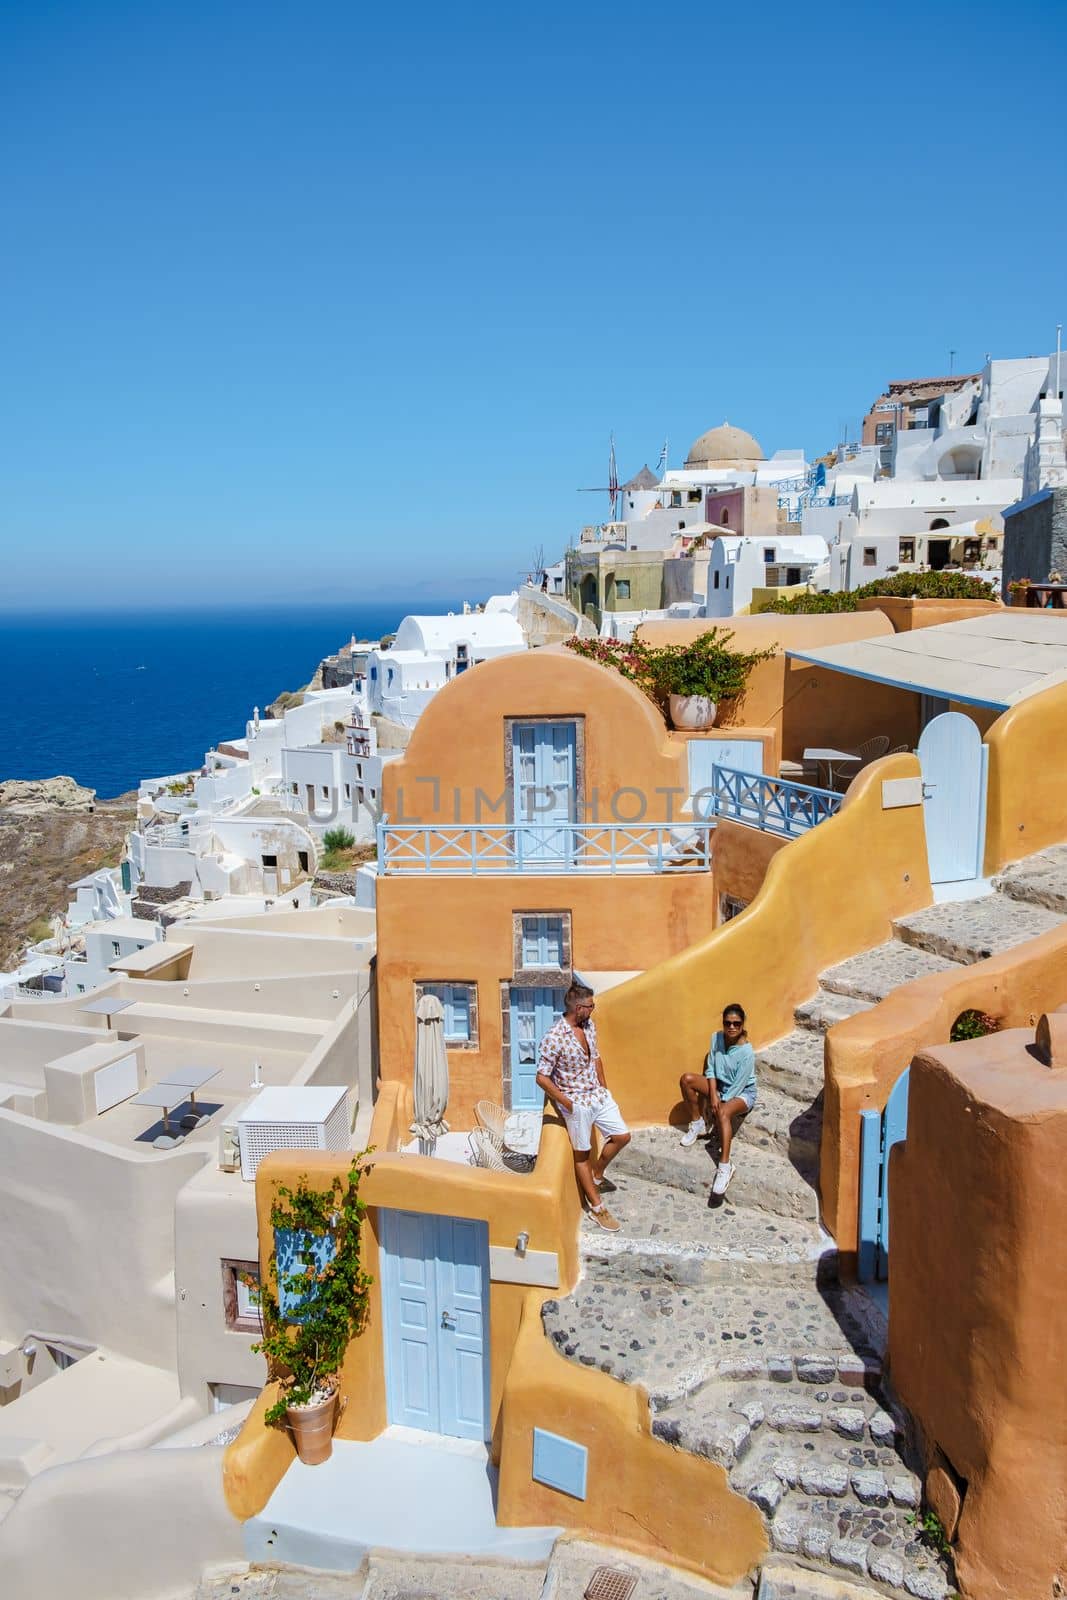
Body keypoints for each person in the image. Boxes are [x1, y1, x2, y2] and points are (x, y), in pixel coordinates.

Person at [536, 981, 631, 1230]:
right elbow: (542, 1077)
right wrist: (568, 1103)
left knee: (622, 1136)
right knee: (581, 1154)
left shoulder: (589, 1026)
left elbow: (596, 1057)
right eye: (590, 1006)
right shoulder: (554, 1037)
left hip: (597, 1095)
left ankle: (596, 1174)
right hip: (576, 1101)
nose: (593, 1009)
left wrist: (604, 1086)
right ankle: (597, 1208)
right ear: (578, 1008)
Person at [677, 1003, 756, 1196]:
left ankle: (725, 1166)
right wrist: (713, 1093)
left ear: (742, 1024)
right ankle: (697, 1124)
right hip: (720, 1087)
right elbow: (711, 1068)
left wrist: (721, 1101)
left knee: (722, 1112)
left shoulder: (746, 1052)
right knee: (687, 1079)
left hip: (742, 1092)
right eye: (727, 1023)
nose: (731, 1027)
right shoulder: (717, 1038)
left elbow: (739, 1084)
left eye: (736, 1024)